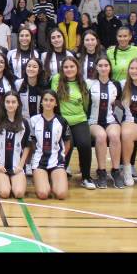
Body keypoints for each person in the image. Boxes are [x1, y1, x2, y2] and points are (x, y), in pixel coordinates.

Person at [50, 58, 94, 188]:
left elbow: (86, 105)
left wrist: (83, 117)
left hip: (80, 119)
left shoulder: (83, 83)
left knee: (85, 145)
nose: (69, 69)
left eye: (72, 67)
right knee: (68, 145)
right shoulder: (57, 80)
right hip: (63, 121)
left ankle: (86, 177)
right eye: (66, 67)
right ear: (62, 69)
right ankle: (61, 174)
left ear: (77, 68)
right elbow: (53, 100)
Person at [86, 57, 123, 188]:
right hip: (93, 121)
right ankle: (101, 171)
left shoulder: (116, 85)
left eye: (106, 65)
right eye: (100, 65)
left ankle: (116, 170)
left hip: (110, 120)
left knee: (114, 136)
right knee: (101, 136)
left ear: (110, 67)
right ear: (96, 67)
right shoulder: (89, 83)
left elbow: (120, 104)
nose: (103, 68)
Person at [29, 90, 70, 200]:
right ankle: (43, 179)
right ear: (41, 102)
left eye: (51, 100)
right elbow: (31, 142)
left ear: (56, 103)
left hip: (57, 161)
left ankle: (54, 178)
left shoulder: (62, 121)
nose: (48, 103)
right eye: (45, 100)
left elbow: (67, 142)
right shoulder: (34, 120)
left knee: (61, 194)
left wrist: (61, 156)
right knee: (43, 194)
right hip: (39, 162)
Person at [0, 91, 32, 199]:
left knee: (18, 193)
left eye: (13, 102)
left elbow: (27, 146)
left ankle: (13, 181)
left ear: (18, 104)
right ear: (3, 103)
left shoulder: (24, 123)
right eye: (7, 102)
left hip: (17, 166)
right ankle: (1, 181)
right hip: (1, 166)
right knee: (4, 193)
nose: (10, 104)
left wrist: (20, 166)